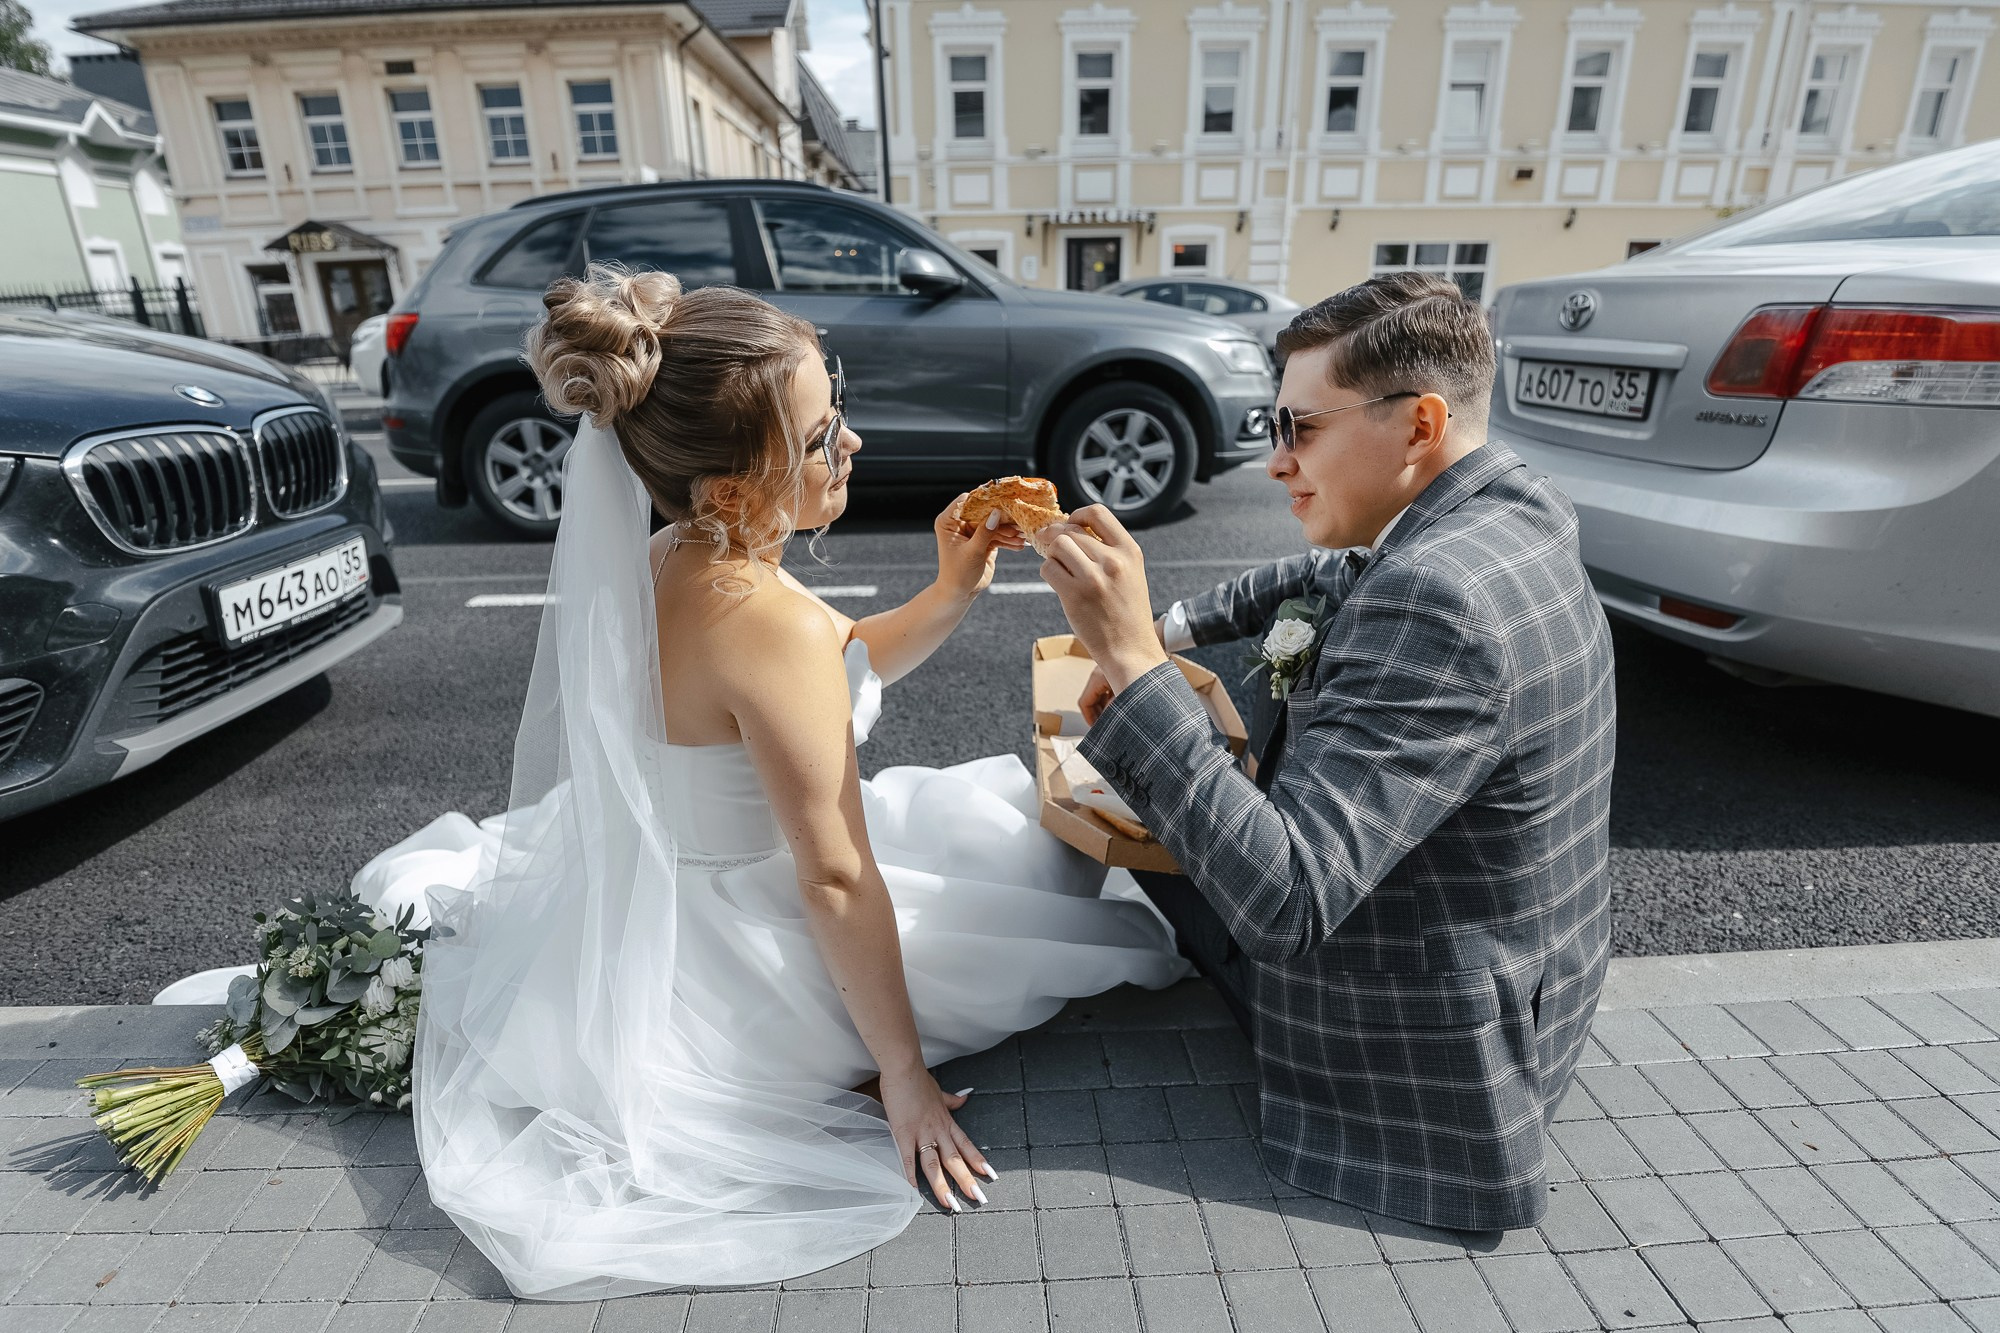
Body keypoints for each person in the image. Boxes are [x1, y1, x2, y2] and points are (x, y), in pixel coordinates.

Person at [173, 264, 1188, 1299]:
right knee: (1038, 866)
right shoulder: (766, 617)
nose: (851, 445)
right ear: (731, 489)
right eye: (817, 437)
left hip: (671, 884)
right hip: (754, 939)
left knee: (997, 819)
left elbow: (842, 666)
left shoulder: (677, 553)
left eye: (835, 413)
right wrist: (904, 1079)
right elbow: (834, 876)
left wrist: (948, 588)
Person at [1039, 270, 1617, 1232]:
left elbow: (1287, 901)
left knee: (1101, 822)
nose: (1275, 461)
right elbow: (1328, 569)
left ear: (1419, 424)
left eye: (1301, 429)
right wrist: (1165, 627)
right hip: (1532, 984)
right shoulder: (1509, 506)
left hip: (1429, 1069)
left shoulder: (1438, 605)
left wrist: (1134, 664)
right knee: (1144, 799)